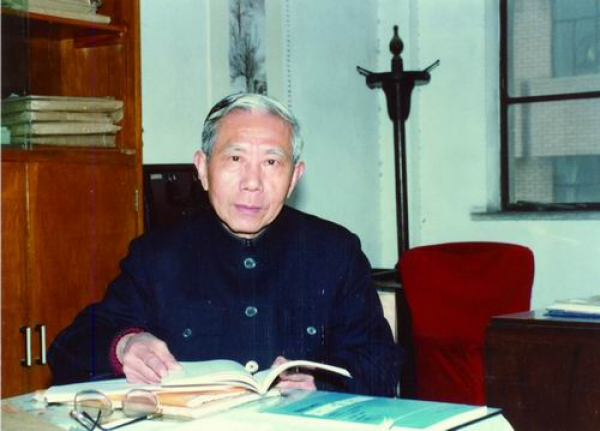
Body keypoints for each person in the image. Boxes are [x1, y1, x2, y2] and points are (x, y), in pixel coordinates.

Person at [48, 93, 401, 396]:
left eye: (272, 162)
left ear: (294, 177)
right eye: (235, 159)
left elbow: (382, 362)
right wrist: (125, 345)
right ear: (202, 168)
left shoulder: (335, 252)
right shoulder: (157, 255)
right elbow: (70, 348)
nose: (252, 182)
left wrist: (320, 383)